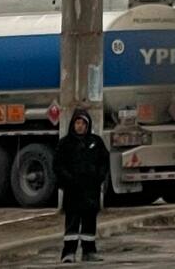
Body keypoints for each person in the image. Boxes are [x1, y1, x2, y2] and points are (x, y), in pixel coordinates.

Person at [54, 109, 110, 263]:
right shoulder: (65, 143)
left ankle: (89, 251)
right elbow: (58, 165)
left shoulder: (95, 142)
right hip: (73, 191)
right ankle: (68, 253)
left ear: (87, 125)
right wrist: (68, 180)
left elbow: (104, 161)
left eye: (83, 123)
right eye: (77, 123)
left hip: (90, 191)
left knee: (89, 222)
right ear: (73, 124)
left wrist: (99, 177)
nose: (80, 126)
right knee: (72, 222)